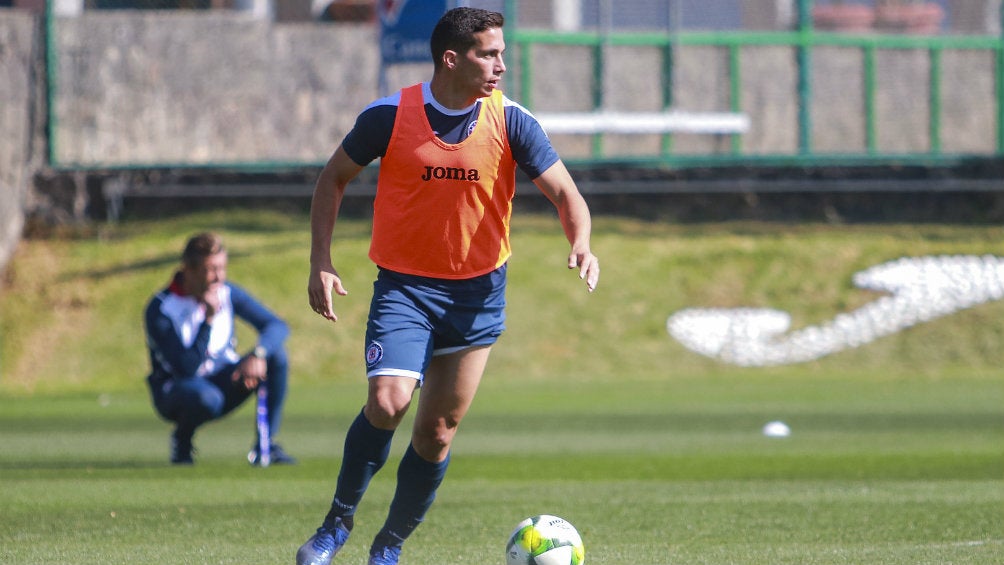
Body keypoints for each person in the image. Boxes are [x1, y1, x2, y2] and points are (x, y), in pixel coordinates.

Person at [297, 7, 600, 565]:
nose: (501, 65)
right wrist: (321, 259)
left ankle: (387, 547)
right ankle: (336, 523)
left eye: (502, 53)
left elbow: (566, 195)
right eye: (489, 54)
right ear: (451, 58)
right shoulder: (390, 116)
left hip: (477, 297)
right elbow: (332, 178)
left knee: (436, 433)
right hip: (406, 290)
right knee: (388, 402)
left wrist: (579, 240)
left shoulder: (513, 122)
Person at [144, 232, 296, 466]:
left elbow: (276, 325)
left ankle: (266, 445)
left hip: (223, 381)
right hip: (179, 390)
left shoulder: (228, 293)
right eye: (211, 269)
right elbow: (185, 368)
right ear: (189, 270)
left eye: (222, 268)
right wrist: (208, 320)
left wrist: (258, 353)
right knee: (206, 398)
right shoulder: (161, 308)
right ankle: (182, 440)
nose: (218, 277)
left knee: (276, 356)